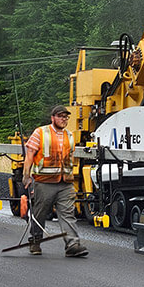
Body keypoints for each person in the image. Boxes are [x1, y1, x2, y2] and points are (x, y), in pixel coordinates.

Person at [23, 104, 88, 258]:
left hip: (65, 183)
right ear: (53, 118)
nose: (63, 119)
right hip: (44, 181)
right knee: (40, 213)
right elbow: (30, 154)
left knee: (68, 213)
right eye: (60, 116)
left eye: (66, 117)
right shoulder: (40, 132)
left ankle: (72, 244)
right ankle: (35, 241)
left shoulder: (70, 136)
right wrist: (26, 176)